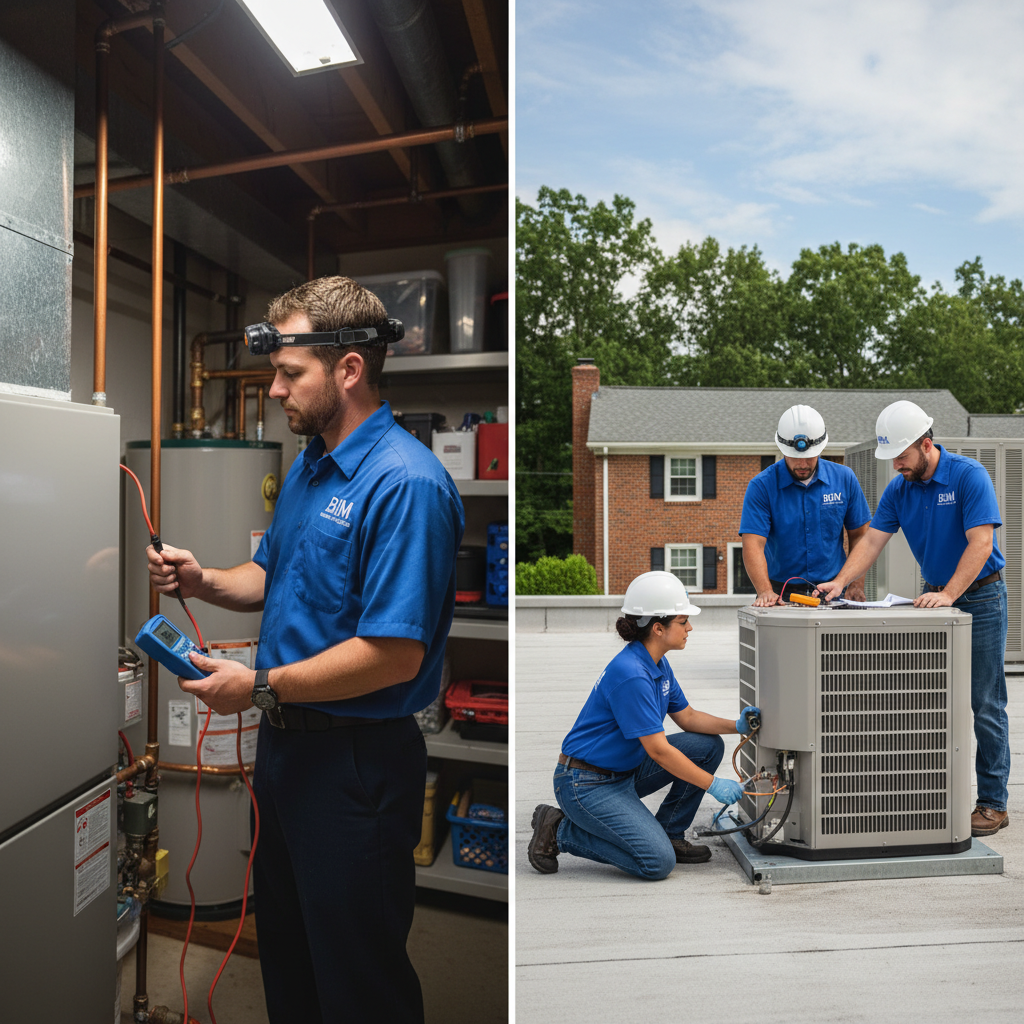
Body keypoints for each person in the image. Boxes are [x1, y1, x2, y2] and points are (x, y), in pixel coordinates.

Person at [147, 276, 464, 1023]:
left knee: (357, 977)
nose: (275, 390)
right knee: (288, 957)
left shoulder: (405, 484)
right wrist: (205, 580)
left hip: (357, 765)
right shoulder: (311, 466)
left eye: (291, 374)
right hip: (287, 755)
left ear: (348, 370)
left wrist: (257, 685)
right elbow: (275, 573)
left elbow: (394, 655)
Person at [817, 400, 1010, 838]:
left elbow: (980, 545)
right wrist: (840, 581)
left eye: (902, 457)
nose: (896, 466)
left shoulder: (968, 476)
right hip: (936, 596)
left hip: (978, 596)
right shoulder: (899, 489)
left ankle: (994, 804)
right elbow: (870, 543)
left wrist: (948, 595)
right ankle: (931, 794)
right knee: (928, 700)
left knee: (985, 702)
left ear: (926, 445)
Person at [527, 571, 759, 880]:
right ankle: (559, 829)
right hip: (586, 783)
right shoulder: (632, 675)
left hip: (623, 771)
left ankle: (669, 833)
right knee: (656, 863)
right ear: (659, 628)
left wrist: (738, 725)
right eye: (683, 621)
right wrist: (712, 784)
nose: (690, 627)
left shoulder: (656, 663)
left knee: (707, 746)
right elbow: (660, 752)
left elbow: (687, 717)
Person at [740, 404, 872, 606]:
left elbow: (861, 536)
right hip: (780, 594)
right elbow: (753, 544)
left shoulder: (844, 479)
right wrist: (764, 591)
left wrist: (855, 584)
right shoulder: (761, 486)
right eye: (795, 458)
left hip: (834, 591)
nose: (802, 465)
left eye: (809, 457)